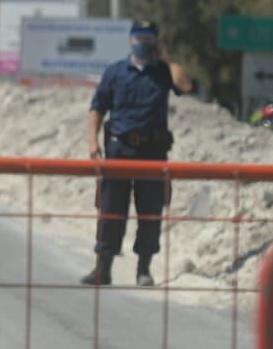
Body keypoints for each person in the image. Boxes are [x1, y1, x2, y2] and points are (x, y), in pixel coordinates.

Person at [81, 19, 194, 287]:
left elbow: (186, 85)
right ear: (130, 40)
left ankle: (144, 269)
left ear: (156, 41)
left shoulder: (164, 72)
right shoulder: (115, 72)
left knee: (150, 212)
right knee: (111, 210)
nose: (143, 42)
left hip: (153, 153)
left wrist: (166, 58)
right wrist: (92, 141)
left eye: (148, 37)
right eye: (138, 37)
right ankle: (103, 267)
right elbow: (97, 107)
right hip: (119, 150)